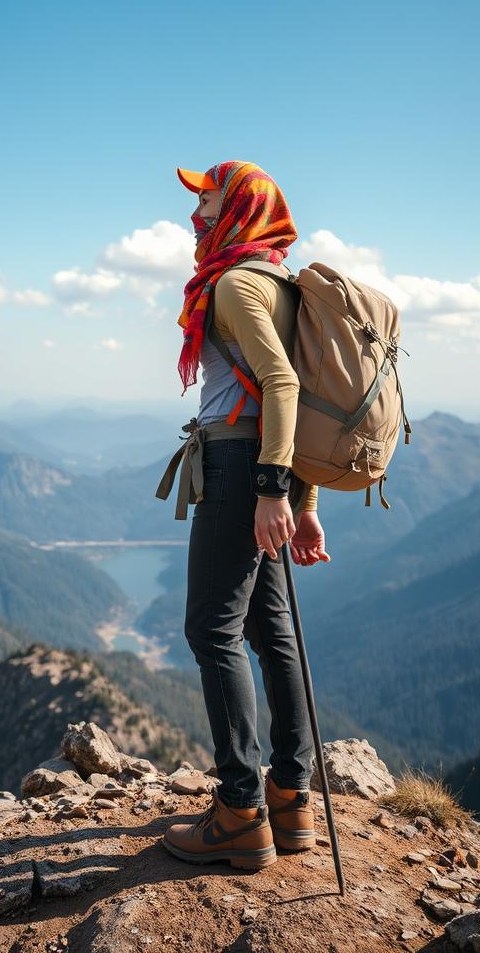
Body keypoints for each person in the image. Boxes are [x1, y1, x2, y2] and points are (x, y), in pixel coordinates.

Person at [157, 159, 330, 871]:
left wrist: (266, 490)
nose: (196, 214)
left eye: (208, 199)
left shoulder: (232, 286)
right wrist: (303, 499)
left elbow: (282, 384)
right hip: (272, 471)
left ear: (240, 209)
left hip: (239, 471)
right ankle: (290, 800)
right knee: (270, 629)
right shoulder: (284, 288)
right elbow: (306, 400)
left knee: (211, 629)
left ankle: (238, 811)